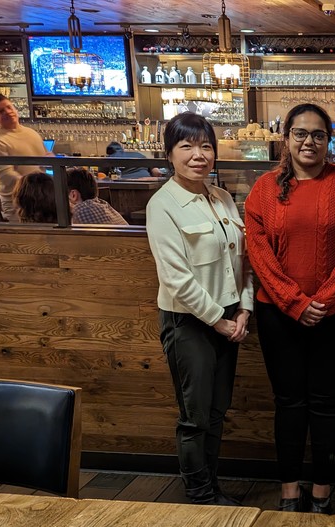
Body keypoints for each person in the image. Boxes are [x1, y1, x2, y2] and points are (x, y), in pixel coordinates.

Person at [245, 103, 335, 514]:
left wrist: (323, 302)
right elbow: (258, 252)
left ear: (329, 140)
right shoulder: (264, 189)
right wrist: (295, 303)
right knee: (289, 403)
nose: (309, 142)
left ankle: (321, 489)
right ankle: (288, 489)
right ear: (286, 138)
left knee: (326, 402)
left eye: (319, 134)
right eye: (300, 133)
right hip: (278, 314)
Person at [145, 112, 253, 506]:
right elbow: (176, 279)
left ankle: (213, 487)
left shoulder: (222, 197)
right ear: (169, 153)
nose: (198, 155)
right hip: (189, 323)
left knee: (218, 411)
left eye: (205, 146)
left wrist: (244, 309)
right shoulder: (163, 205)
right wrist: (220, 322)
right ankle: (200, 495)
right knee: (195, 416)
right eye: (187, 146)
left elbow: (243, 260)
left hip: (229, 318)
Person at [0, 93, 50, 222]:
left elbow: (45, 162)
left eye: (9, 107)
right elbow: (7, 175)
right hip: (17, 202)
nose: (7, 112)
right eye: (0, 111)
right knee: (25, 240)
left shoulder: (31, 133)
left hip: (42, 199)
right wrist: (38, 188)